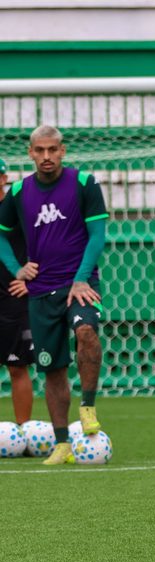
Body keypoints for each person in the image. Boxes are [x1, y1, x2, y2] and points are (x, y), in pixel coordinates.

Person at [0, 125, 109, 465]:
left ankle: (88, 406)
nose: (47, 157)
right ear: (30, 153)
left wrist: (80, 279)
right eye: (40, 151)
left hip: (80, 287)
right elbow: (1, 235)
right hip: (40, 292)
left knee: (86, 333)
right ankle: (62, 443)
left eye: (53, 150)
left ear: (63, 150)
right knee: (52, 369)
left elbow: (97, 236)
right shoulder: (18, 192)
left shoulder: (84, 184)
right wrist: (17, 268)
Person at [0, 158, 34, 425]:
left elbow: (43, 245)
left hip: (13, 297)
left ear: (3, 178)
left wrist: (29, 281)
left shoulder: (17, 211)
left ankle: (22, 432)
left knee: (16, 366)